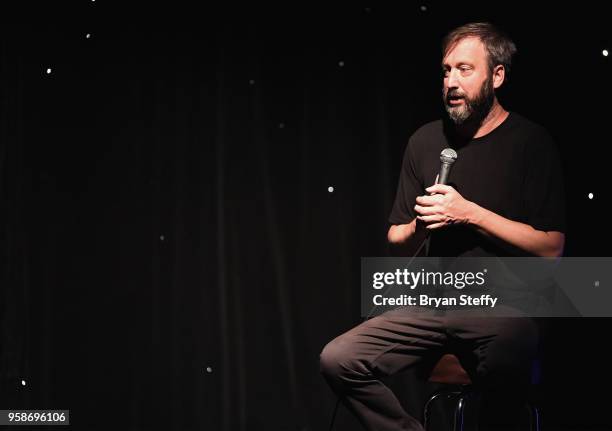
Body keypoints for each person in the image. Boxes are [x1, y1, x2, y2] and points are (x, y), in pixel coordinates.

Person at [319, 22, 566, 431]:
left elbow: (552, 248)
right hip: (432, 304)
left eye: (465, 69)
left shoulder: (531, 144)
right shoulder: (425, 142)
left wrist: (469, 213)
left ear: (497, 76)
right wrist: (422, 222)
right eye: (446, 70)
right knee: (338, 358)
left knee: (512, 348)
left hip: (504, 304)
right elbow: (396, 236)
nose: (451, 81)